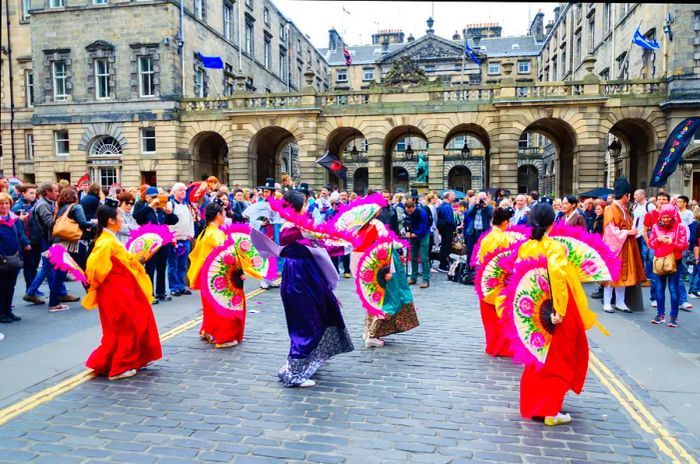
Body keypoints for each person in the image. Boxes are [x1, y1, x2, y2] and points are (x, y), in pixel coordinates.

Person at [515, 203, 603, 426]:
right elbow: (558, 280)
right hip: (555, 309)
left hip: (534, 310)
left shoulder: (525, 247)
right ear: (552, 224)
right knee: (559, 357)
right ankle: (550, 410)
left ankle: (535, 405)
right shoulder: (554, 247)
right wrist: (559, 310)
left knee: (536, 356)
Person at [262, 190, 354, 387]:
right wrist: (308, 231)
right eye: (304, 203)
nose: (307, 206)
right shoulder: (292, 227)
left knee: (318, 316)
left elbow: (321, 246)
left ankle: (299, 363)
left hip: (310, 276)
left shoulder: (302, 225)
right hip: (299, 279)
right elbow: (288, 238)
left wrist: (347, 245)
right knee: (305, 322)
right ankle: (294, 372)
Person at [83, 202, 162, 380]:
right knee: (128, 325)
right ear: (111, 220)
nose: (122, 219)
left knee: (120, 327)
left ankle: (110, 362)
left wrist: (138, 259)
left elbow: (122, 261)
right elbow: (96, 269)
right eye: (119, 216)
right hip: (117, 292)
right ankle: (120, 366)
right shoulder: (106, 242)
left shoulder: (109, 239)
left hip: (119, 290)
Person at [353, 212, 419, 348]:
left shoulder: (360, 230)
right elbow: (385, 248)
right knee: (389, 300)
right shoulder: (375, 227)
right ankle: (373, 334)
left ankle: (370, 331)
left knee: (375, 300)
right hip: (384, 266)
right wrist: (387, 270)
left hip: (372, 270)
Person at [188, 202, 246, 348]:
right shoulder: (214, 235)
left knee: (211, 306)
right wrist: (239, 272)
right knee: (223, 306)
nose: (225, 215)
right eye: (224, 213)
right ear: (218, 215)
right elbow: (228, 256)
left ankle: (210, 331)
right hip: (217, 276)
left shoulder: (206, 231)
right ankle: (224, 337)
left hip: (208, 276)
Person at [475, 206, 515, 357]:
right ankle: (503, 346)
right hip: (502, 282)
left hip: (486, 281)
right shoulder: (505, 238)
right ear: (505, 222)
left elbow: (480, 260)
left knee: (490, 318)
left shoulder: (486, 238)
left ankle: (492, 344)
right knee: (502, 315)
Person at [602, 177, 646, 313]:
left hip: (625, 245)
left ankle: (620, 302)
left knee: (623, 274)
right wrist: (628, 232)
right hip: (615, 246)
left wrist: (629, 231)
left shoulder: (624, 209)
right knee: (611, 273)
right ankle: (607, 302)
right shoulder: (610, 208)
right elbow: (610, 231)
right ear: (626, 195)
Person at [50, 188, 95, 312]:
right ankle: (92, 296)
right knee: (84, 270)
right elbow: (83, 223)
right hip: (72, 244)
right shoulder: (76, 207)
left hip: (58, 244)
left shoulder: (60, 209)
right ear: (74, 196)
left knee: (59, 274)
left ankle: (53, 302)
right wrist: (95, 223)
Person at [134, 186, 179, 304]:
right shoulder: (144, 208)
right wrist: (150, 206)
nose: (156, 199)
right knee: (150, 268)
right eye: (153, 197)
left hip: (162, 242)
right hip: (149, 244)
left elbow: (174, 220)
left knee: (161, 268)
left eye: (157, 197)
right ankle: (150, 293)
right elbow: (138, 217)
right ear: (147, 198)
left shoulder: (161, 210)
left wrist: (169, 213)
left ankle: (161, 292)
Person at [649, 204, 688, 328]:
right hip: (660, 261)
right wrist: (658, 240)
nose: (665, 220)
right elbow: (651, 244)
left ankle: (674, 317)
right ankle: (660, 315)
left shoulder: (680, 227)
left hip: (674, 261)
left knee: (673, 289)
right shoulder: (655, 226)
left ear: (672, 216)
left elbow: (684, 245)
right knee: (659, 289)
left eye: (668, 217)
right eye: (663, 217)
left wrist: (672, 243)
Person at [0, 192, 30, 323]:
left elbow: (19, 236)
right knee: (2, 286)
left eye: (6, 203)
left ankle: (8, 311)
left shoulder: (13, 218)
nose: (4, 206)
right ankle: (1, 313)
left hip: (14, 257)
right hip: (2, 258)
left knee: (11, 286)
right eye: (1, 204)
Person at [168, 183, 195, 297]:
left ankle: (181, 285)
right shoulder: (170, 205)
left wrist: (191, 233)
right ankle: (174, 287)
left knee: (183, 264)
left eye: (184, 190)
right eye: (180, 190)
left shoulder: (186, 205)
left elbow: (190, 221)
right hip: (175, 240)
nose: (183, 192)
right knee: (173, 265)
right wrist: (171, 237)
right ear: (174, 192)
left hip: (185, 239)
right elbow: (168, 222)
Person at [12, 184, 40, 290]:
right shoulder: (18, 207)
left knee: (35, 265)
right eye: (31, 193)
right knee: (29, 266)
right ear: (23, 194)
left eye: (34, 193)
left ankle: (34, 289)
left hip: (36, 239)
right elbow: (18, 227)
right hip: (27, 240)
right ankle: (31, 289)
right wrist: (25, 241)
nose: (33, 195)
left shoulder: (36, 204)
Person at [633, 189, 656, 290]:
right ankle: (642, 276)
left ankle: (648, 278)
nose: (634, 197)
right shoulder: (636, 206)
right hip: (636, 234)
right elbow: (635, 220)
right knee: (640, 257)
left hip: (646, 234)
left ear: (642, 195)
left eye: (636, 195)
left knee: (647, 257)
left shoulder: (650, 206)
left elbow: (655, 219)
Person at [405, 200, 431, 288]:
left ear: (414, 207)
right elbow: (407, 223)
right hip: (413, 237)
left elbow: (424, 225)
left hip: (423, 236)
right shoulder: (408, 213)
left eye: (410, 211)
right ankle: (413, 277)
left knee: (424, 258)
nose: (409, 212)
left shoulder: (422, 212)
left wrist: (416, 233)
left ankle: (426, 279)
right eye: (407, 211)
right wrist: (408, 231)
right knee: (413, 257)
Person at [464, 191, 492, 269]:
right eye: (480, 198)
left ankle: (480, 268)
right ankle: (469, 267)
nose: (481, 200)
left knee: (481, 251)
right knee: (469, 251)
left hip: (483, 232)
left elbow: (491, 215)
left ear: (486, 198)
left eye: (483, 198)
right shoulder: (475, 206)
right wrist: (476, 204)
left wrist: (486, 206)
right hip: (472, 231)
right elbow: (469, 214)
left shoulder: (488, 207)